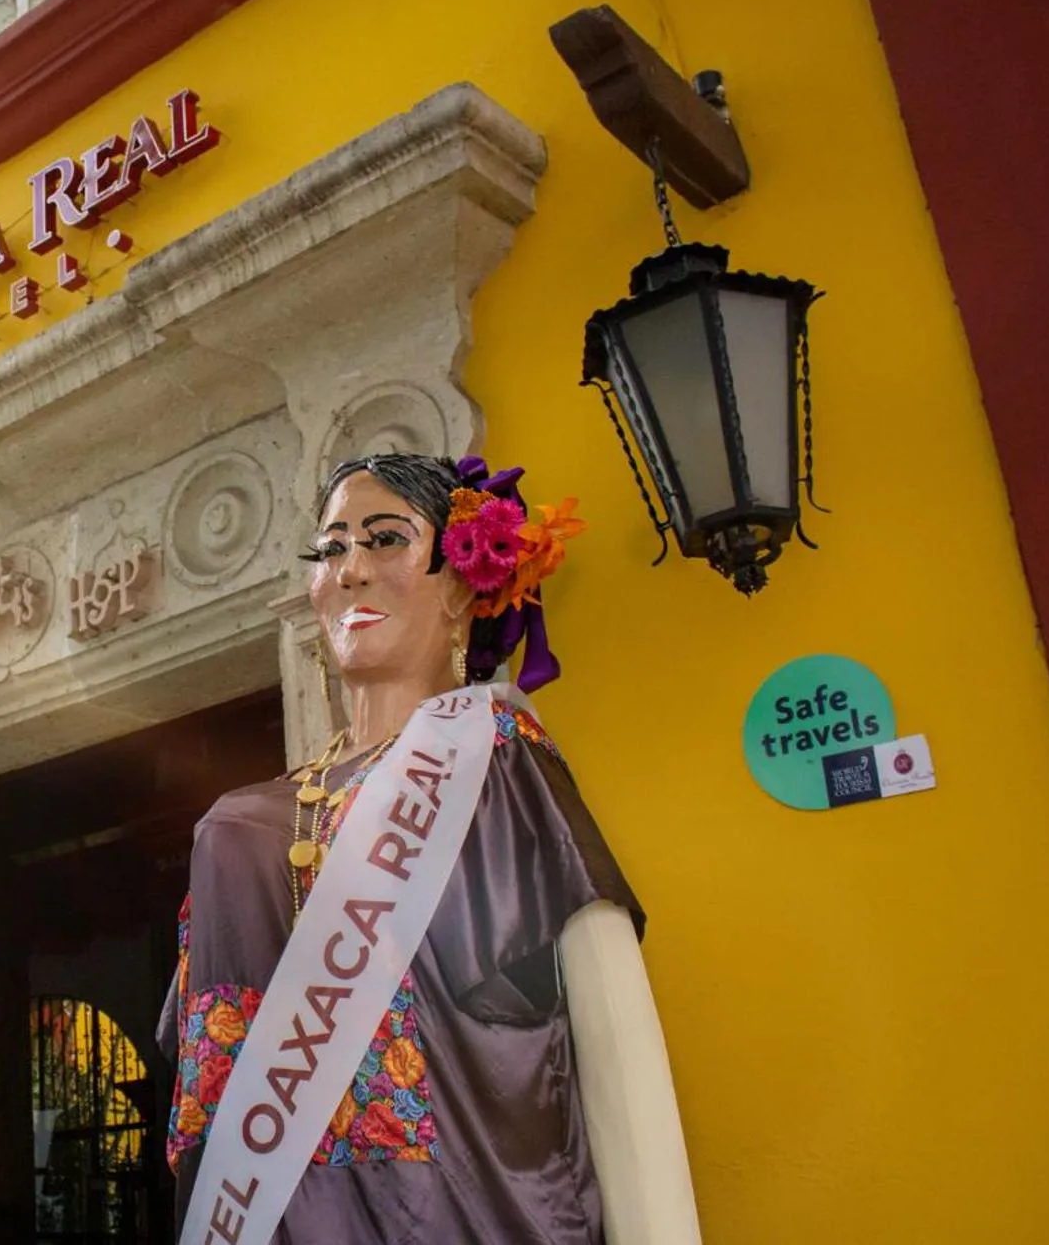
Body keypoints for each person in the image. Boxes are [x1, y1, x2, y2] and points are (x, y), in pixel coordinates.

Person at [159, 454, 702, 1244]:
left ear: (459, 586)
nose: (349, 571)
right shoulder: (236, 824)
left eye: (385, 539)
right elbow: (199, 1085)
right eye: (330, 548)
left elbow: (611, 1033)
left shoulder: (497, 763)